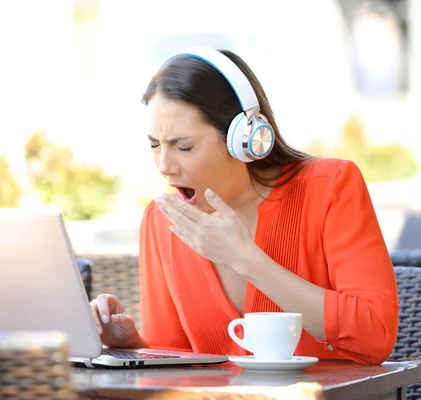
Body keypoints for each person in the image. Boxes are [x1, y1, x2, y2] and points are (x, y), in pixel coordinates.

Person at [89, 46, 399, 364]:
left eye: (183, 146)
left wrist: (245, 259)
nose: (164, 166)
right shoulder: (161, 221)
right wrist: (127, 343)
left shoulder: (330, 187)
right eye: (155, 145)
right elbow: (172, 360)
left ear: (244, 139)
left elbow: (375, 337)